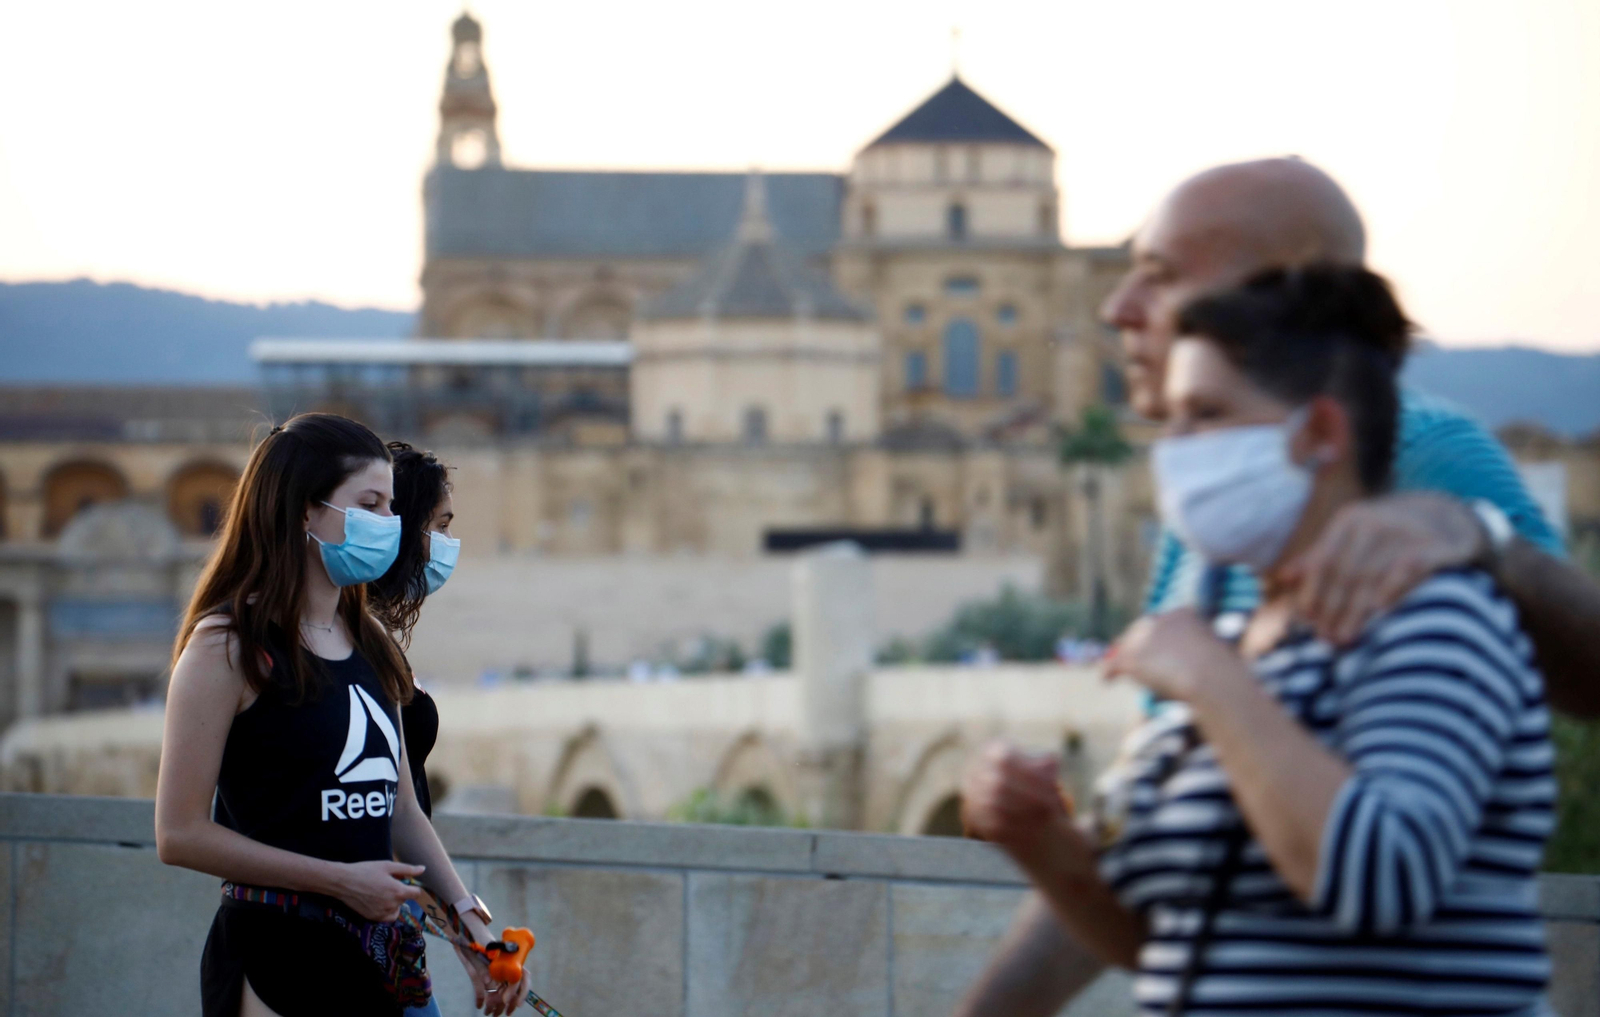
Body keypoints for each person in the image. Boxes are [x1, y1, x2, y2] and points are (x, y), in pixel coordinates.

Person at [951, 157, 1600, 1017]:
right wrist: (1044, 851)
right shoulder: (1214, 543)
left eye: (1161, 274)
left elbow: (1382, 861)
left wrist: (1486, 544)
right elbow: (1196, 905)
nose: (1117, 307)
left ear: (1277, 285)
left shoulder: (1424, 462)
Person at [154, 414, 529, 1017]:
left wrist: (470, 922)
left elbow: (402, 810)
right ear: (306, 510)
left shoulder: (370, 641)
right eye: (372, 505)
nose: (391, 525)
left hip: (380, 962)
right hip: (279, 961)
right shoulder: (227, 643)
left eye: (392, 507)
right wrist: (339, 880)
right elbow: (178, 834)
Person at [367, 442, 462, 1017]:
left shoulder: (369, 636)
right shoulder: (350, 640)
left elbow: (401, 799)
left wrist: (459, 911)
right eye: (440, 526)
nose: (446, 545)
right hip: (362, 922)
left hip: (395, 914)